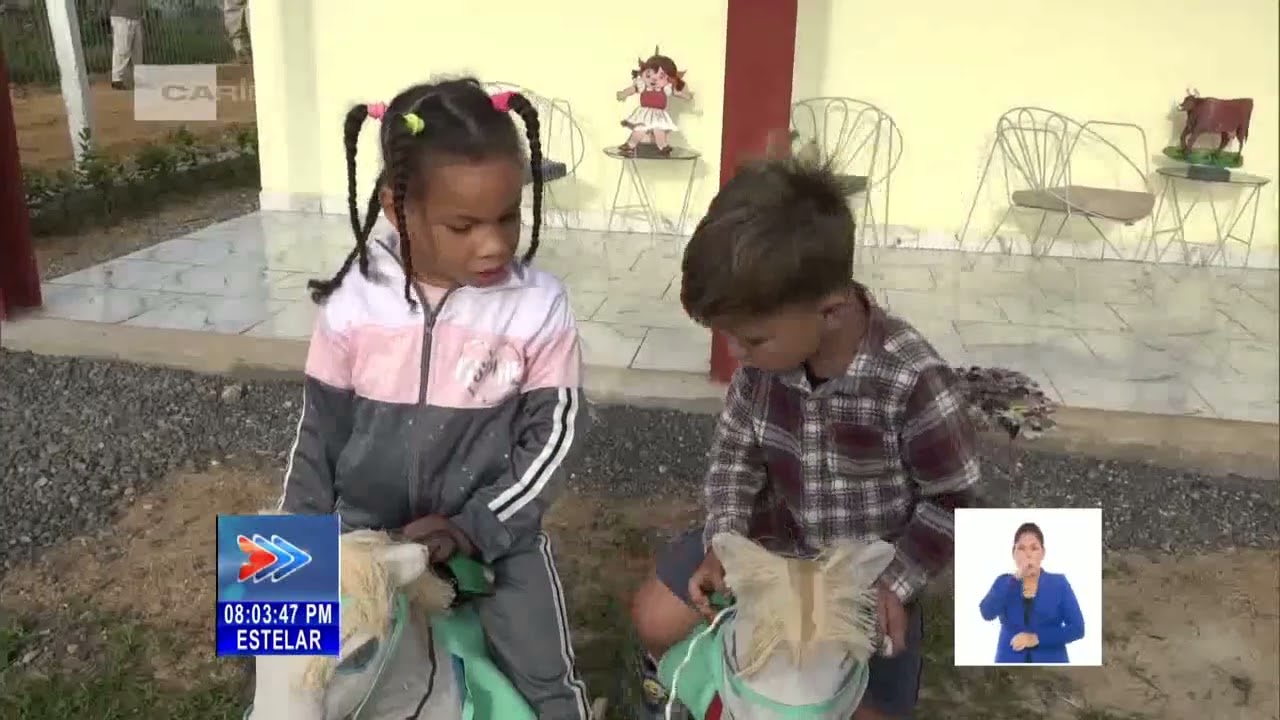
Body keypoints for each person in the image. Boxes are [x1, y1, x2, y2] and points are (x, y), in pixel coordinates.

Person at [278, 77, 592, 720]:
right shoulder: (351, 302)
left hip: (495, 536)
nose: (495, 243)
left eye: (509, 216)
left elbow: (555, 437)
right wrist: (292, 555)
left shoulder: (539, 305)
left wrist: (475, 529)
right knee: (292, 681)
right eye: (464, 224)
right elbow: (317, 437)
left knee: (543, 681)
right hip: (365, 534)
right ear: (398, 209)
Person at [628, 156, 984, 720]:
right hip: (766, 551)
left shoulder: (912, 380)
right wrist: (725, 541)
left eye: (751, 339)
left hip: (857, 579)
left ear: (830, 310)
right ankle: (680, 689)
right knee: (654, 620)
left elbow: (955, 500)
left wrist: (891, 585)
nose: (736, 355)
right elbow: (733, 461)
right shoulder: (761, 370)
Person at [978, 522, 1084, 664]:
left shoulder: (1059, 583)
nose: (1028, 554)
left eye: (1034, 548)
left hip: (1051, 663)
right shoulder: (1004, 582)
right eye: (1021, 548)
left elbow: (1077, 629)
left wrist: (1036, 638)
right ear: (1013, 554)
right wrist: (1015, 579)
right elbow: (987, 613)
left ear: (1043, 553)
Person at [108, 0, 143, 91]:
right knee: (122, 48)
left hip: (136, 16)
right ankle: (117, 79)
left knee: (137, 50)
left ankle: (138, 77)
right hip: (121, 16)